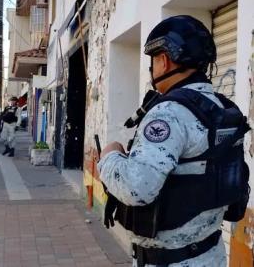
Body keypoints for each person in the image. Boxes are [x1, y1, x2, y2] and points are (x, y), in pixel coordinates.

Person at [98, 15, 250, 267]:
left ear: (164, 61)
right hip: (211, 255)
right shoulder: (222, 109)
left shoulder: (169, 113)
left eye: (153, 60)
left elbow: (138, 188)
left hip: (170, 260)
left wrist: (110, 156)